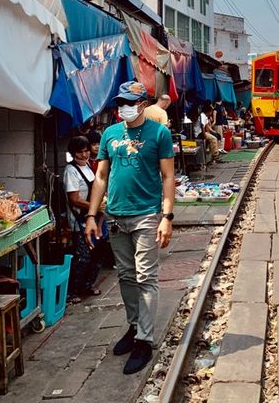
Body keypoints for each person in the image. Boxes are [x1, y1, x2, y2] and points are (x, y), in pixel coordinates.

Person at [85, 80, 175, 375]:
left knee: (146, 277)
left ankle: (145, 341)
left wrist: (167, 216)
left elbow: (167, 177)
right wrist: (91, 216)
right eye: (120, 101)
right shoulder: (110, 134)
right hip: (115, 216)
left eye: (130, 101)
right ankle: (134, 325)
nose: (124, 106)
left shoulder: (159, 133)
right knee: (125, 275)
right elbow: (100, 176)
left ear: (141, 103)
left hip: (147, 215)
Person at [64, 136, 103, 303]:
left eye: (86, 151)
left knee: (97, 254)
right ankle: (72, 291)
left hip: (94, 217)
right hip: (79, 220)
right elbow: (74, 199)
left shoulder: (88, 166)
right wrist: (94, 207)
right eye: (80, 152)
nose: (85, 154)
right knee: (83, 256)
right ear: (73, 153)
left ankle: (88, 285)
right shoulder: (70, 171)